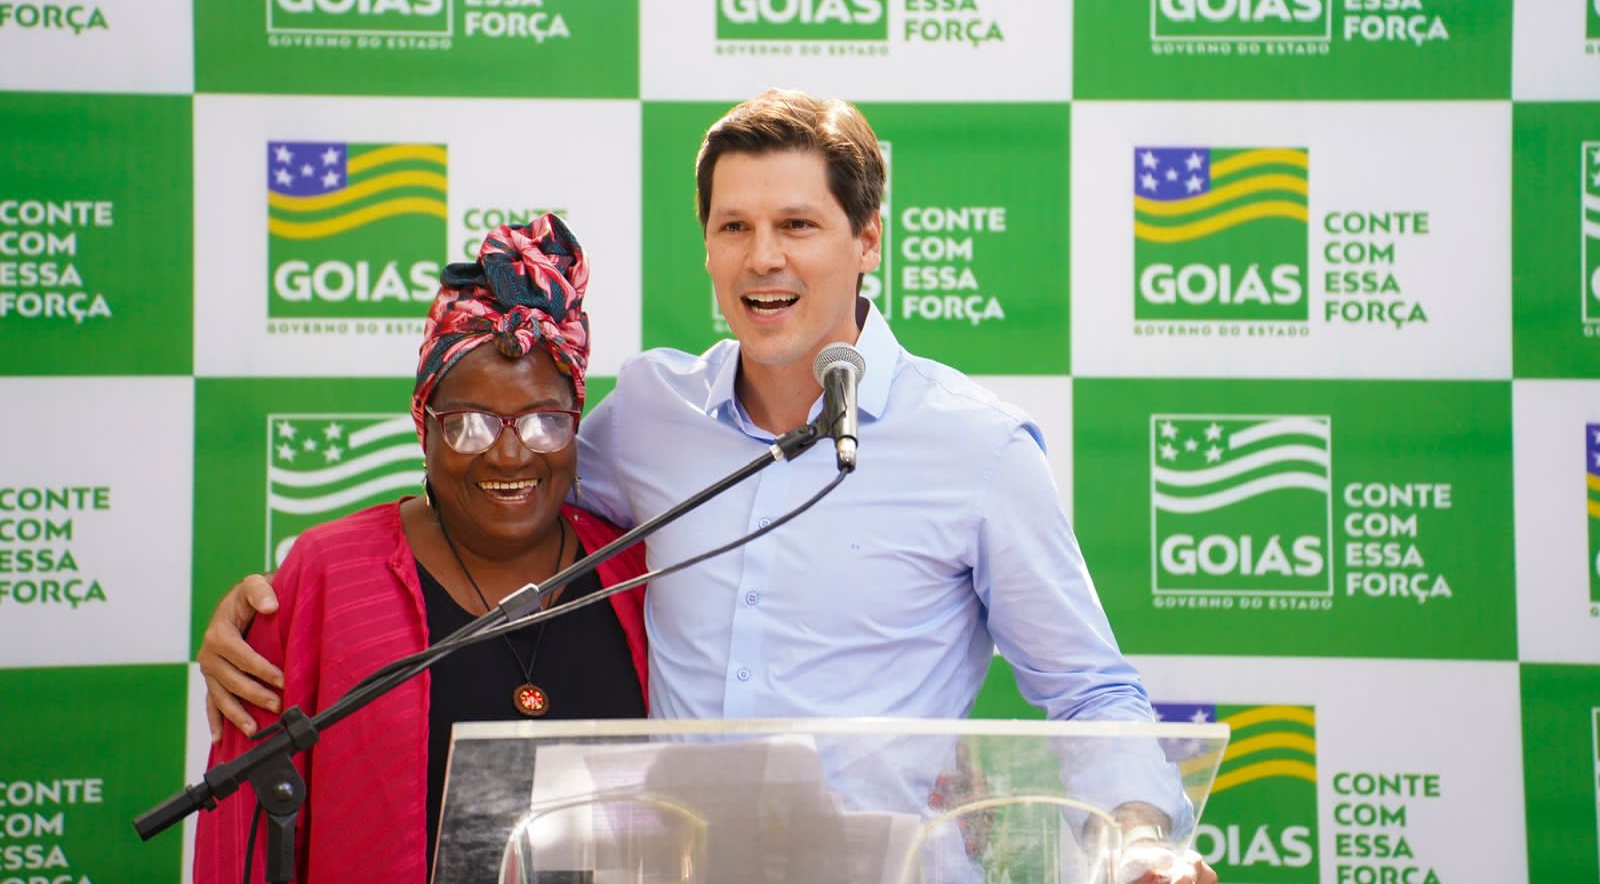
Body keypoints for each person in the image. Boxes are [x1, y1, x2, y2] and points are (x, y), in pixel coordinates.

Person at [199, 93, 1215, 884]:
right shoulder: (650, 410)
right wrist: (282, 604)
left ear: (867, 241)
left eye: (798, 224)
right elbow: (503, 475)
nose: (763, 259)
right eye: (734, 226)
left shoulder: (978, 448)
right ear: (707, 246)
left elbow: (1092, 690)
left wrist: (1136, 837)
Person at [193, 215, 648, 884]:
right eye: (468, 424)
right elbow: (242, 835)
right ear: (422, 427)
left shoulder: (636, 572)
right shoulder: (326, 577)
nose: (510, 454)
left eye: (545, 421)